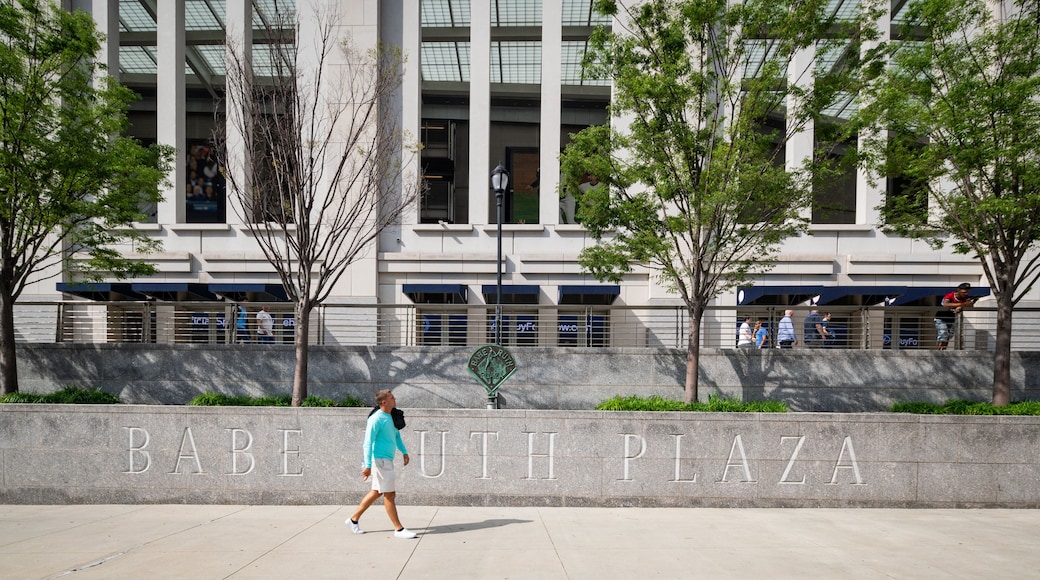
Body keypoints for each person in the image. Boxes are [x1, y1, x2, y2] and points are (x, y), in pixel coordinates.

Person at [347, 390, 417, 539]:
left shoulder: (391, 417)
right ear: (384, 402)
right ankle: (398, 529)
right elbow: (367, 443)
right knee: (390, 494)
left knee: (377, 492)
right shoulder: (376, 419)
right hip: (379, 460)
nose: (395, 398)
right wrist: (367, 465)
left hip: (386, 460)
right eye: (392, 397)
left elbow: (396, 436)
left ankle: (353, 520)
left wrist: (404, 452)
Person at [936, 282, 976, 350]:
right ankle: (938, 352)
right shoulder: (950, 295)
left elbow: (970, 305)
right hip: (941, 318)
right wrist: (961, 304)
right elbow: (946, 304)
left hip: (952, 319)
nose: (966, 294)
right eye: (964, 292)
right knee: (943, 334)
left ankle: (943, 351)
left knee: (948, 336)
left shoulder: (966, 298)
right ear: (958, 291)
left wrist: (962, 306)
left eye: (967, 292)